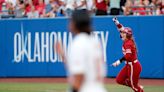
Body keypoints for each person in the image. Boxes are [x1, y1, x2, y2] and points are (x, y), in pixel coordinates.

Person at [56, 10, 107, 92]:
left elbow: (79, 77)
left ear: (76, 23)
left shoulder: (79, 42)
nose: (69, 24)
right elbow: (79, 67)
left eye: (71, 21)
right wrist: (62, 55)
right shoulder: (94, 41)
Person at [112, 17, 144, 92]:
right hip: (128, 65)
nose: (121, 34)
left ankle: (136, 87)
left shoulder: (128, 43)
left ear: (128, 35)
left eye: (124, 33)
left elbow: (128, 56)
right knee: (119, 80)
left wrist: (118, 62)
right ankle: (134, 85)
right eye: (122, 33)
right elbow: (121, 28)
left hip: (133, 66)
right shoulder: (127, 41)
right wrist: (117, 23)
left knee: (135, 88)